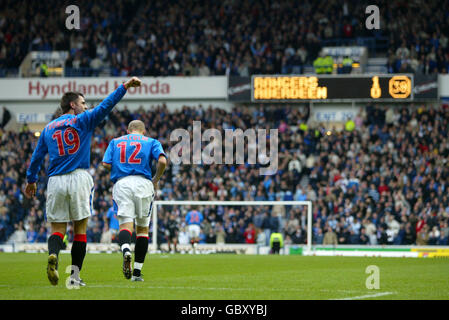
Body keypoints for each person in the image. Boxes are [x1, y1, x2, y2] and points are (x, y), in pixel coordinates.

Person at [25, 76, 142, 287]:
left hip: (55, 180)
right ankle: (74, 277)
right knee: (80, 230)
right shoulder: (83, 119)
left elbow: (36, 157)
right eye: (83, 103)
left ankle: (53, 254)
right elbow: (107, 105)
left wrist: (31, 180)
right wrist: (124, 87)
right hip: (79, 177)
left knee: (57, 229)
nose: (86, 107)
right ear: (73, 105)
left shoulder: (48, 128)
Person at [102, 119, 167, 281]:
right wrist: (156, 178)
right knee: (143, 229)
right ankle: (137, 273)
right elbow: (162, 161)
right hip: (144, 184)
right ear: (143, 131)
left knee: (125, 225)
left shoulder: (116, 142)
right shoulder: (151, 141)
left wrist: (118, 167)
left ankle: (125, 251)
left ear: (128, 130)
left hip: (122, 183)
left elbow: (105, 163)